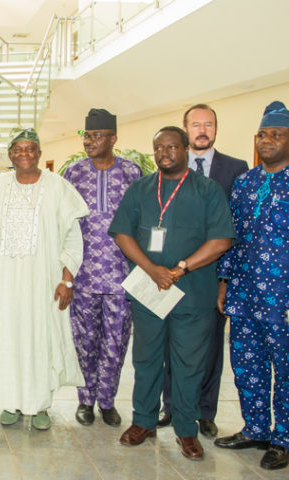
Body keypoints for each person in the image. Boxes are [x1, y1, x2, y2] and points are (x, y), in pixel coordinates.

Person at [109, 126, 234, 461]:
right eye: (158, 147)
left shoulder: (206, 190)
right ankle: (143, 421)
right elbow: (122, 233)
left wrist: (180, 269)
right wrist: (152, 270)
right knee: (146, 359)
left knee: (188, 364)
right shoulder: (140, 189)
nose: (164, 152)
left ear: (186, 149)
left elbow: (221, 240)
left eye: (172, 147)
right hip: (148, 290)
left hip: (192, 292)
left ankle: (186, 430)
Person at [0, 128, 89, 431]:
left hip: (46, 282)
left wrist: (67, 279)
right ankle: (12, 403)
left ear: (39, 153)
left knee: (42, 340)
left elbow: (73, 238)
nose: (24, 154)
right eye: (17, 149)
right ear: (10, 155)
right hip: (4, 283)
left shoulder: (58, 188)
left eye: (30, 148)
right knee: (8, 340)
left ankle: (42, 404)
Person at [159, 103, 249, 436]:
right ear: (185, 131)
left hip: (212, 272)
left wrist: (226, 279)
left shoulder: (235, 168)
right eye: (195, 124)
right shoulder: (168, 168)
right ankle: (171, 407)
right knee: (171, 341)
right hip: (170, 272)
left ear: (215, 128)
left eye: (208, 124)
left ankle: (205, 412)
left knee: (210, 345)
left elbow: (236, 227)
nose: (202, 130)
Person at [214, 101, 289, 471]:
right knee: (246, 363)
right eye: (263, 134)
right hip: (244, 292)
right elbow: (232, 235)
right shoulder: (245, 182)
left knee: (285, 367)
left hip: (282, 296)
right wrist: (224, 281)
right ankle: (256, 428)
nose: (268, 140)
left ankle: (283, 437)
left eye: (277, 134)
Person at [63, 109, 141, 427]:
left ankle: (107, 401)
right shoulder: (73, 174)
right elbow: (63, 224)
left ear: (113, 139)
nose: (90, 143)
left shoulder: (133, 174)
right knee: (85, 341)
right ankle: (85, 400)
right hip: (83, 276)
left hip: (122, 277)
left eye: (97, 137)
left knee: (116, 342)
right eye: (87, 137)